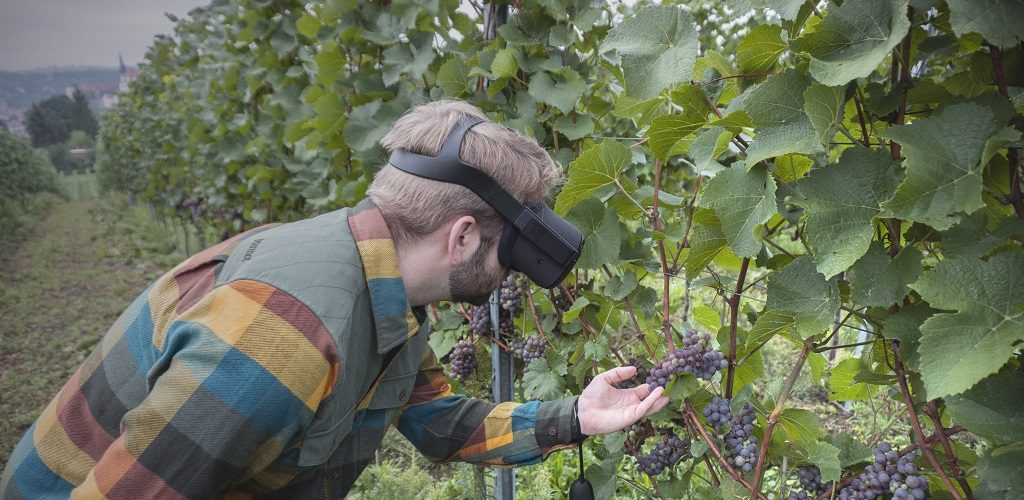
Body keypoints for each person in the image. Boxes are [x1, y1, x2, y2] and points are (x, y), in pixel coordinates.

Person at [0, 100, 668, 499]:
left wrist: (574, 417)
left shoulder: (387, 293)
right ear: (461, 236)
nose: (510, 277)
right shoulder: (285, 334)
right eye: (507, 254)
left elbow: (436, 420)